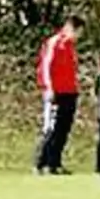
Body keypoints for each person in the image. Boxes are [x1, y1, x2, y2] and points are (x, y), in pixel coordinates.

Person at [34, 15, 82, 175]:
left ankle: (55, 163)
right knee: (51, 128)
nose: (78, 37)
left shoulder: (70, 47)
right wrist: (49, 88)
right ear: (70, 28)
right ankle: (41, 163)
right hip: (56, 92)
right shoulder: (54, 43)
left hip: (70, 92)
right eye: (78, 32)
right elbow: (46, 67)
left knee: (63, 129)